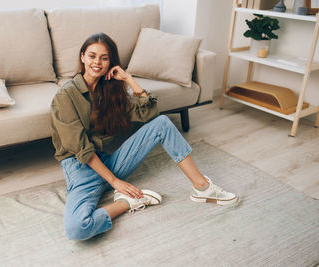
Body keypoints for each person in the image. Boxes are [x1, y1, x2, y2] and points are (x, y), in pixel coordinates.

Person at [50, 33, 238, 241]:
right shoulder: (65, 96)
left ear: (111, 62)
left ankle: (202, 187)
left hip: (109, 161)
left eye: (104, 58)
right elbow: (81, 149)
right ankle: (127, 202)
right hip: (82, 168)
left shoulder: (110, 90)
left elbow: (149, 114)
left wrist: (129, 79)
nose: (97, 62)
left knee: (163, 124)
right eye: (92, 56)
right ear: (83, 57)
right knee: (77, 229)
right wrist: (116, 183)